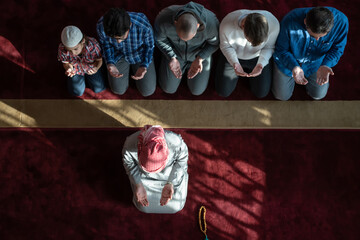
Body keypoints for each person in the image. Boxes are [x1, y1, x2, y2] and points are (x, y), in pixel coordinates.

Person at [272, 7, 348, 100]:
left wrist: (326, 65)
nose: (317, 39)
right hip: (288, 62)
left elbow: (337, 49)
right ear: (305, 22)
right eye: (313, 36)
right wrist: (294, 66)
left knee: (318, 95)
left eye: (322, 37)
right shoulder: (289, 20)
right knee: (281, 96)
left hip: (316, 64)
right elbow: (281, 50)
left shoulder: (341, 22)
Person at [154, 1, 219, 95]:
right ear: (175, 23)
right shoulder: (163, 18)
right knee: (168, 89)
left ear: (197, 26)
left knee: (197, 91)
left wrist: (200, 58)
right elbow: (160, 40)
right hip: (175, 53)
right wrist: (171, 56)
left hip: (199, 55)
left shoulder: (211, 23)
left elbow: (214, 44)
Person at [122, 125, 189, 214]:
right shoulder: (130, 144)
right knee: (143, 207)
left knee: (175, 206)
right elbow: (129, 164)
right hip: (145, 178)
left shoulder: (176, 142)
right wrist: (138, 184)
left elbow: (182, 162)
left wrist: (170, 183)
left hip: (170, 175)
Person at [215, 10, 280, 98]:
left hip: (258, 57)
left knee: (261, 93)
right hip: (234, 55)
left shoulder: (273, 23)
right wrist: (235, 62)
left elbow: (269, 47)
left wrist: (262, 63)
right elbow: (226, 47)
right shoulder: (226, 24)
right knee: (223, 92)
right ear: (243, 26)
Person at [97, 8, 156, 97]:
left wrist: (144, 65)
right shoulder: (101, 26)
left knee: (148, 91)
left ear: (129, 26)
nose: (118, 42)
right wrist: (110, 63)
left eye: (120, 38)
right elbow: (105, 45)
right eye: (114, 38)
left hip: (139, 54)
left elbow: (149, 46)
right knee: (118, 90)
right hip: (118, 54)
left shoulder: (143, 26)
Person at [57, 26, 106, 96]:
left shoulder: (93, 45)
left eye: (75, 49)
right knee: (76, 92)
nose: (73, 53)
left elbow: (99, 60)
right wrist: (69, 68)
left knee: (98, 89)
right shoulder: (62, 48)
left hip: (91, 66)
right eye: (69, 50)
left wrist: (96, 68)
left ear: (83, 41)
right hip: (76, 69)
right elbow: (66, 63)